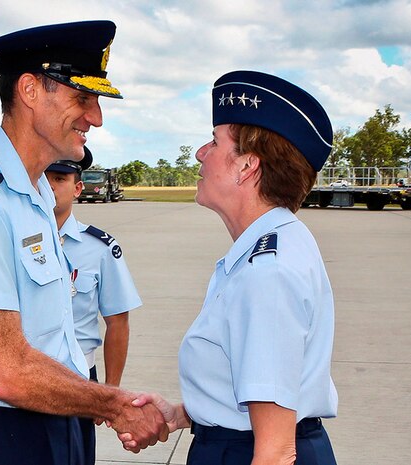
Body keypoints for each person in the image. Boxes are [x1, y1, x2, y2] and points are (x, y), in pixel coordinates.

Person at [0, 20, 166, 465]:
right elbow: (6, 371)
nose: (96, 117)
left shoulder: (34, 193)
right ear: (30, 91)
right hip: (0, 439)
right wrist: (114, 404)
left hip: (55, 421)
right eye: (82, 98)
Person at [122, 70, 339, 465]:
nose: (200, 153)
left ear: (247, 166)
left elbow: (276, 451)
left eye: (215, 141)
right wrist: (185, 413)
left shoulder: (266, 272)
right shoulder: (270, 246)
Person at [45, 147, 142, 465]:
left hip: (78, 376)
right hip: (26, 374)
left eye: (59, 178)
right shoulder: (12, 241)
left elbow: (118, 321)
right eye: (42, 177)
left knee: (75, 456)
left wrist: (110, 392)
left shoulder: (99, 248)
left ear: (77, 188)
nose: (49, 186)